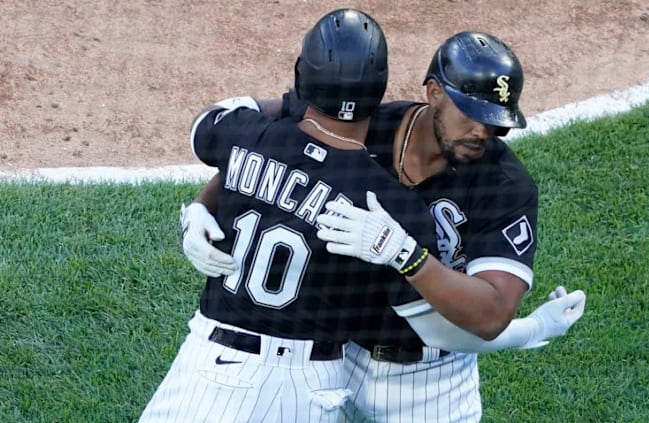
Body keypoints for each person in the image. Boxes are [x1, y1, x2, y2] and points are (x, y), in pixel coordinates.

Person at [182, 32, 587, 422]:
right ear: (434, 93)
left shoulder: (505, 185)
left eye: (497, 122)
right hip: (336, 360)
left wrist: (407, 256)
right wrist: (202, 206)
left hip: (432, 385)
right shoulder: (364, 123)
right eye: (473, 115)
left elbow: (490, 314)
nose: (484, 132)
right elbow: (269, 140)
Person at [138, 9, 443, 423]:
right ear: (380, 88)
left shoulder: (247, 135)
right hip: (311, 385)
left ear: (303, 77)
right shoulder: (393, 206)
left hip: (210, 364)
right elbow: (425, 318)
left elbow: (208, 121)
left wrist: (196, 210)